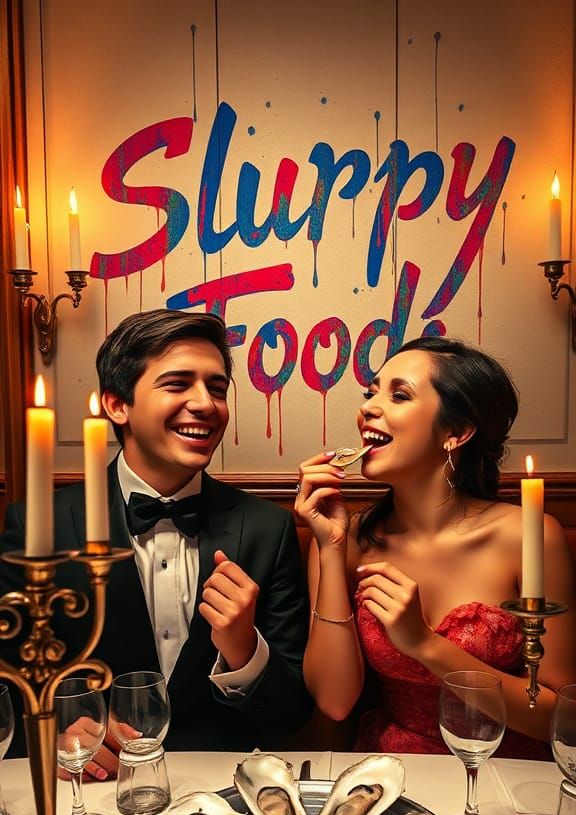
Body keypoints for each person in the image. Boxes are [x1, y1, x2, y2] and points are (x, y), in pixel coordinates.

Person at [1, 310, 311, 767]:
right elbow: (8, 685)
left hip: (224, 797)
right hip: (92, 795)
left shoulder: (268, 528)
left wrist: (245, 650)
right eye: (178, 384)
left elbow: (292, 715)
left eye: (217, 387)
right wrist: (57, 736)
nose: (206, 403)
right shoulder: (38, 527)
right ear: (116, 404)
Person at [296, 337, 575, 757]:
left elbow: (558, 718)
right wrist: (331, 549)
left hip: (507, 775)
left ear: (456, 432)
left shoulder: (530, 536)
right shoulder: (343, 539)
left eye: (399, 395)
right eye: (371, 393)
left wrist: (424, 645)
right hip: (395, 771)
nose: (368, 408)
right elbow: (335, 703)